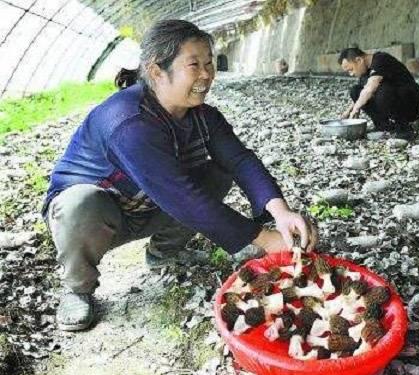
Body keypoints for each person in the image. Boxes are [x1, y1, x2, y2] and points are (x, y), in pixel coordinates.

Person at [43, 20, 318, 332]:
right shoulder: (128, 121)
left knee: (217, 173)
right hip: (102, 216)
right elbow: (182, 198)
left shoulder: (203, 117)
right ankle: (78, 289)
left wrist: (279, 211)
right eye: (194, 65)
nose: (206, 75)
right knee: (79, 203)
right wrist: (265, 239)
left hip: (152, 205)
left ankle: (164, 253)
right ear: (157, 71)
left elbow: (240, 160)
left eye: (210, 64)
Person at [339, 47, 419, 140]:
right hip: (395, 100)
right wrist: (348, 112)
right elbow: (363, 94)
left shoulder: (381, 60)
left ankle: (403, 129)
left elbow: (370, 88)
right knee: (356, 91)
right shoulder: (366, 71)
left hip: (411, 104)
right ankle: (383, 126)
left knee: (383, 91)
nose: (351, 74)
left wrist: (356, 108)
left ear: (359, 60)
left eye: (351, 69)